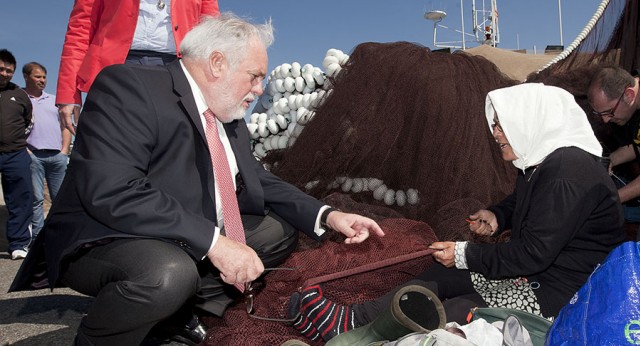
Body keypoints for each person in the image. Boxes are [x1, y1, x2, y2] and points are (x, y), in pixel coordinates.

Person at [10, 13, 384, 346]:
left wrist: (328, 215)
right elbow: (113, 190)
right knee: (167, 275)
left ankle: (175, 317)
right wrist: (215, 243)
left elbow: (254, 177)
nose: (258, 90)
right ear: (217, 63)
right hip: (108, 235)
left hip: (176, 229)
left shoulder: (227, 113)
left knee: (277, 231)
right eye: (254, 76)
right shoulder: (130, 87)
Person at [289, 83, 626, 344]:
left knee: (453, 313)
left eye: (501, 125)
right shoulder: (544, 163)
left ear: (530, 120)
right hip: (536, 275)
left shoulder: (568, 170)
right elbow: (524, 202)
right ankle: (351, 321)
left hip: (556, 296)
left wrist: (465, 253)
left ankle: (366, 338)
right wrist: (497, 215)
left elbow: (531, 255)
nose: (495, 134)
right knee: (441, 276)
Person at [56, 0, 220, 134]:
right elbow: (80, 30)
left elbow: (211, 32)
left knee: (172, 151)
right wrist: (68, 94)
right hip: (115, 69)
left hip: (178, 69)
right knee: (112, 145)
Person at [23, 62, 72, 238]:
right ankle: (38, 238)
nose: (42, 80)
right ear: (26, 77)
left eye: (44, 77)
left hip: (57, 156)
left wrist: (64, 150)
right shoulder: (20, 99)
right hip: (32, 156)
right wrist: (26, 151)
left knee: (60, 200)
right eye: (38, 76)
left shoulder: (55, 100)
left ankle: (60, 237)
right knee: (36, 200)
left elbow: (65, 126)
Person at [588, 65, 640, 224]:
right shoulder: (632, 105)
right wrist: (610, 159)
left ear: (629, 95)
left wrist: (612, 199)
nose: (606, 120)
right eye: (600, 114)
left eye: (609, 112)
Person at [0, 49, 33, 260]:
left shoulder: (19, 95)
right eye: (1, 69)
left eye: (9, 71)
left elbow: (29, 123)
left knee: (21, 199)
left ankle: (19, 244)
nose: (4, 73)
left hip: (15, 154)